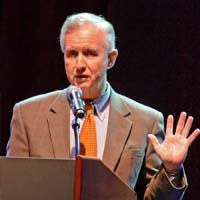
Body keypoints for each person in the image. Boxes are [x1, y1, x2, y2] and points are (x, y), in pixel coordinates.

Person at [6, 12, 200, 199]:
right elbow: (13, 189)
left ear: (111, 59)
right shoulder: (28, 116)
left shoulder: (146, 121)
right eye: (72, 54)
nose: (79, 64)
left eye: (90, 53)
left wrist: (172, 170)